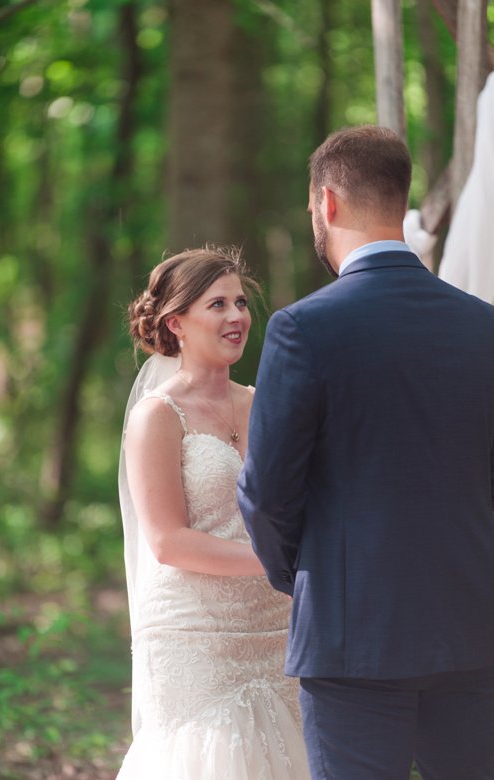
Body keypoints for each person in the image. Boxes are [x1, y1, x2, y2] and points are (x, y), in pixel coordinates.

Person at [238, 125, 494, 778]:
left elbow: (267, 494)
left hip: (351, 634)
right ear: (398, 196)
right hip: (473, 626)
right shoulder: (483, 327)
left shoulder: (303, 328)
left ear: (326, 203)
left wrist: (307, 575)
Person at [117, 247, 309, 778]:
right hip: (194, 633)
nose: (236, 317)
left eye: (241, 302)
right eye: (217, 304)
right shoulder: (157, 416)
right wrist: (275, 560)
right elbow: (166, 541)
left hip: (275, 624)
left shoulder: (265, 403)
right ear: (176, 322)